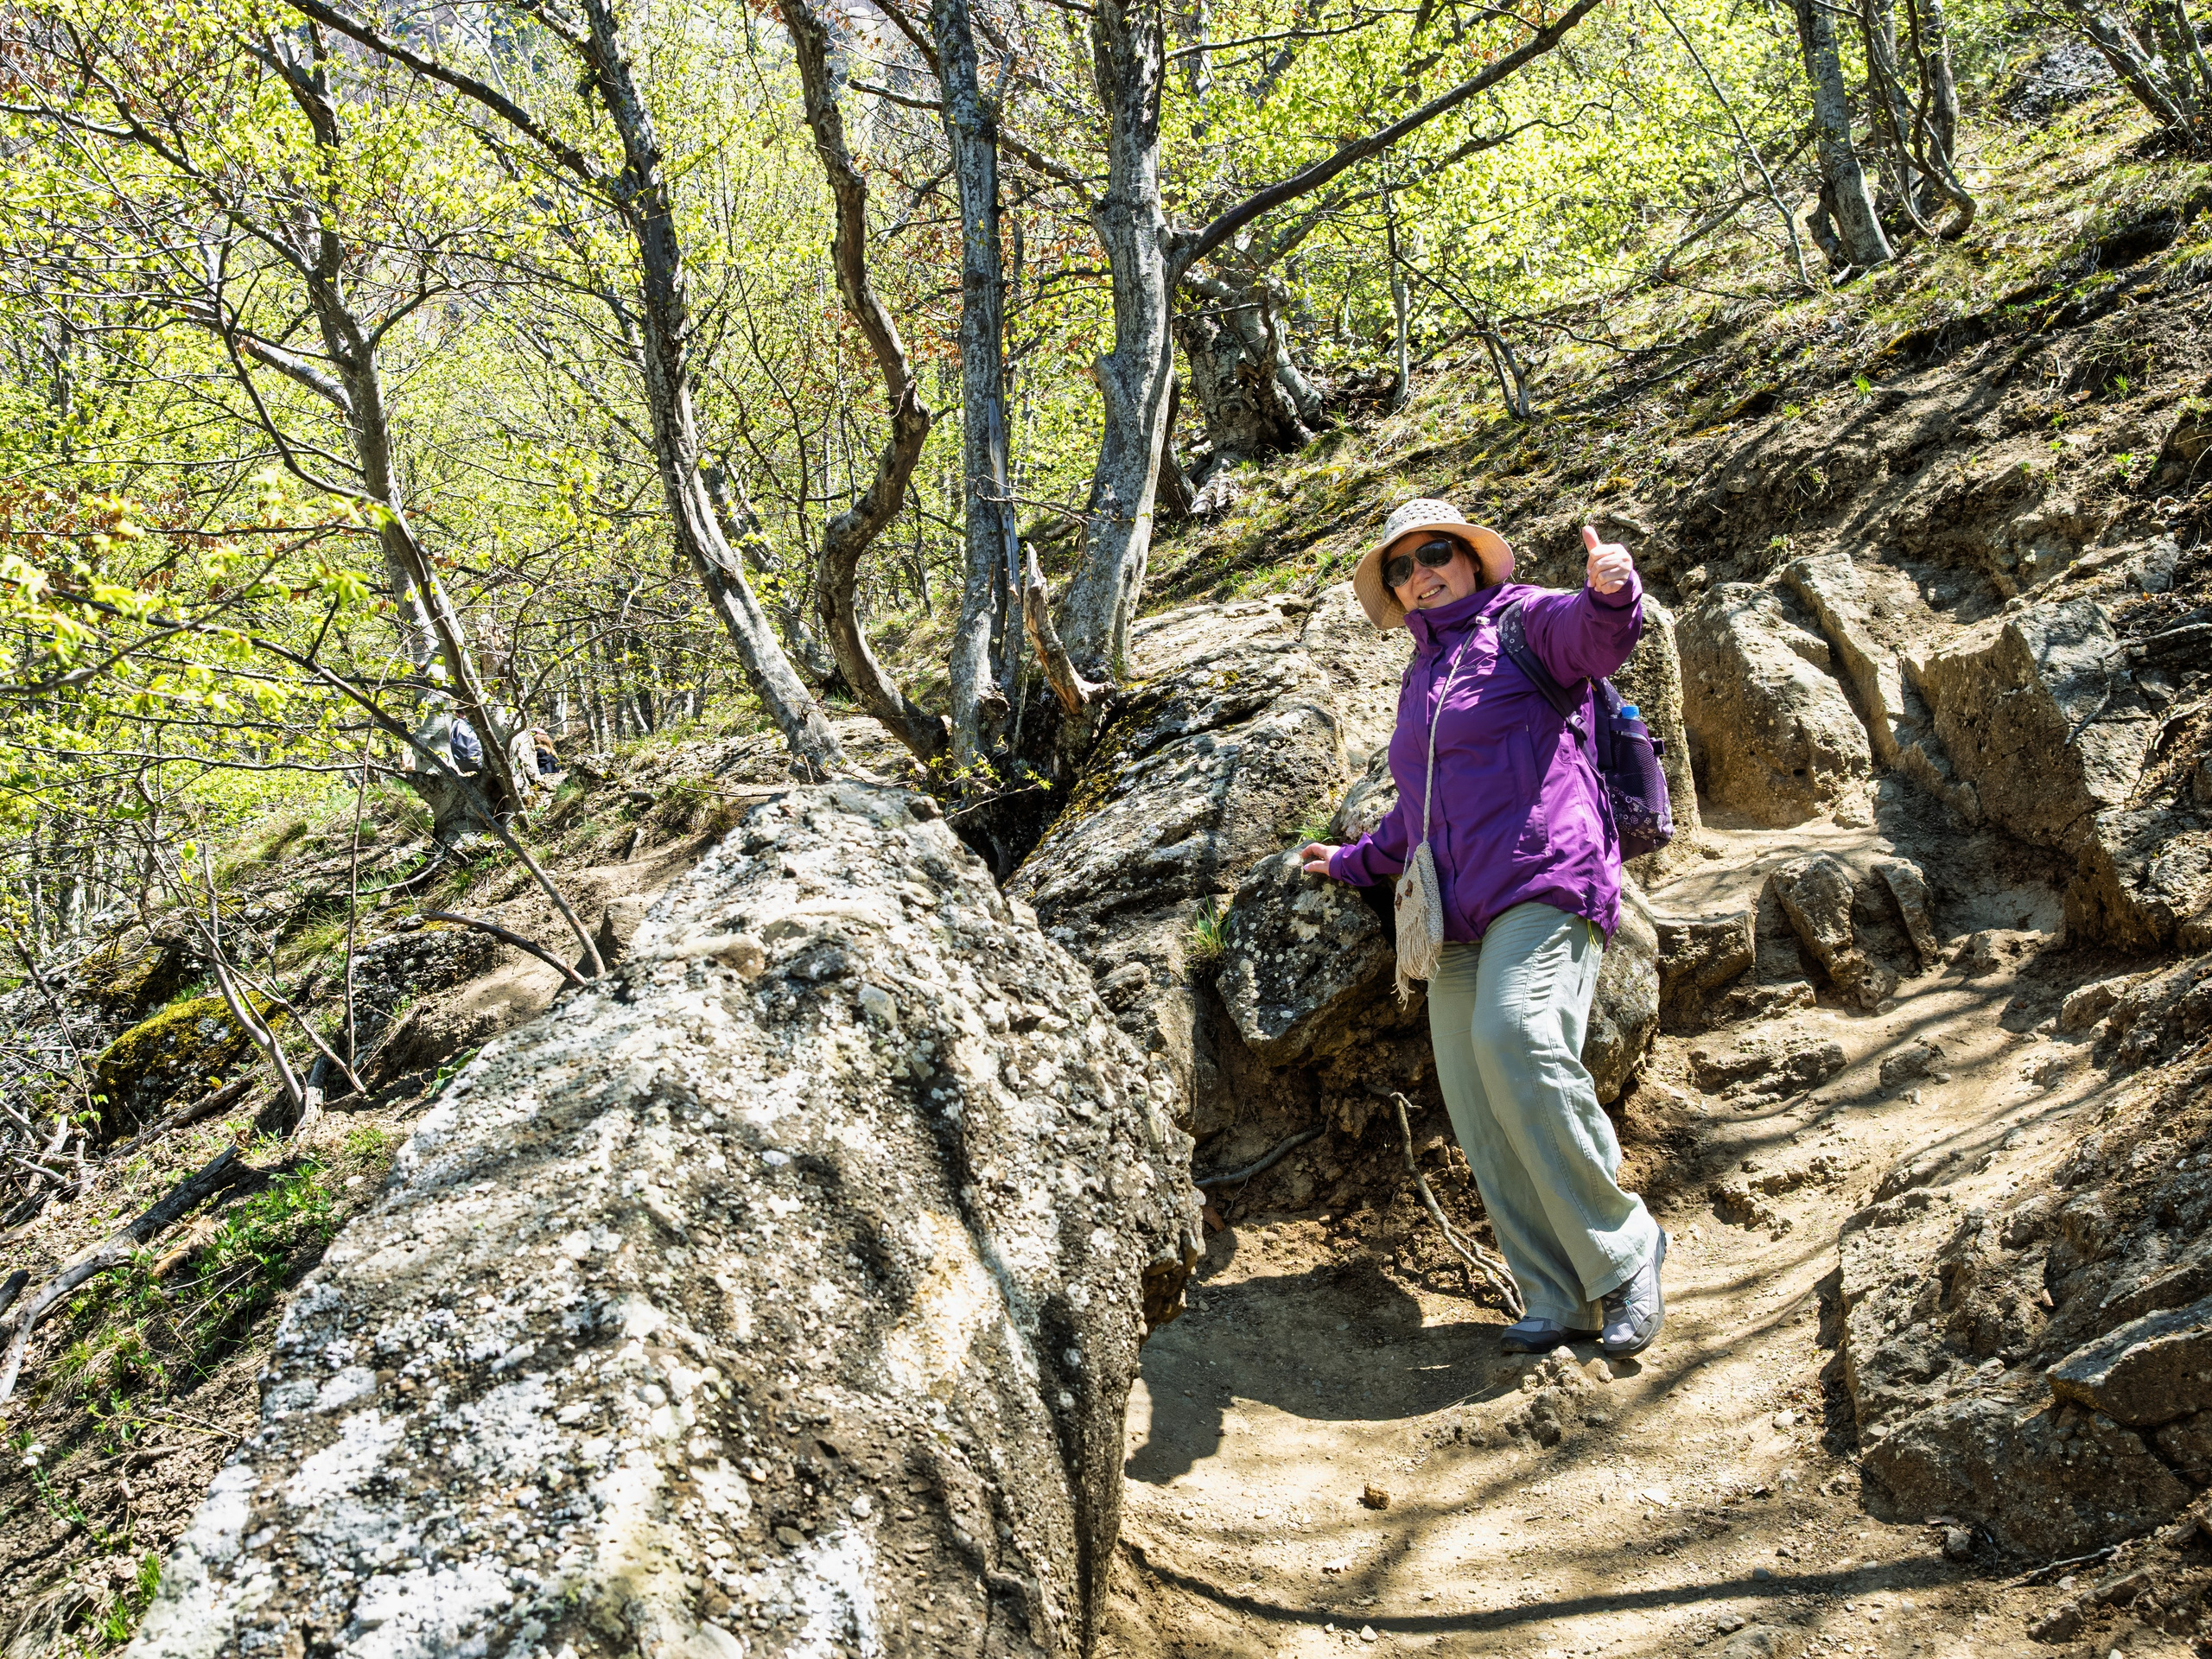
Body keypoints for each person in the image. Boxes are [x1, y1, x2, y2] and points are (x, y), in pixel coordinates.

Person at [1300, 498, 1666, 1358]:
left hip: (1545, 880)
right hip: (1457, 913)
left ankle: (1624, 1250)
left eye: (1435, 553)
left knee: (1517, 1034)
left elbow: (1595, 637)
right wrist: (1353, 861)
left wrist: (1613, 592)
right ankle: (1556, 1293)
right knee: (1474, 1096)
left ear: (1469, 559)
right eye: (1400, 566)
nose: (1419, 573)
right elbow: (1420, 814)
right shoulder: (1421, 675)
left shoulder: (1525, 622)